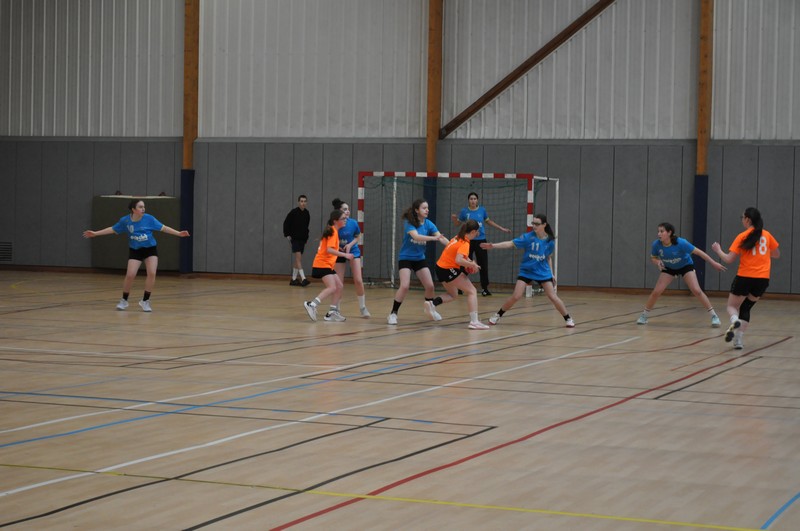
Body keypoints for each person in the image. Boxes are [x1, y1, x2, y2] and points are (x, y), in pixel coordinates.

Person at [82, 198, 190, 312]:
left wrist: (179, 233)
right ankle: (124, 300)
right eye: (140, 207)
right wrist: (95, 233)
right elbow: (113, 229)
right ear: (133, 209)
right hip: (135, 250)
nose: (143, 209)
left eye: (144, 207)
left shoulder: (149, 218)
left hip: (150, 249)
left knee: (152, 273)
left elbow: (164, 228)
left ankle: (145, 301)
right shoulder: (125, 221)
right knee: (130, 275)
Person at [480, 213, 575, 328]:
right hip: (527, 271)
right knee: (516, 296)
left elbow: (548, 258)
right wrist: (493, 246)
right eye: (533, 223)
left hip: (542, 272)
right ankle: (497, 315)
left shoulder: (549, 241)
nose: (534, 226)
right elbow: (510, 243)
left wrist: (551, 274)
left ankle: (568, 318)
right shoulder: (528, 237)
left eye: (537, 224)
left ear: (544, 225)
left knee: (553, 297)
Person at [711, 207, 780, 350]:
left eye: (742, 217)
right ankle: (738, 341)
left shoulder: (742, 236)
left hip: (745, 277)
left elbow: (729, 259)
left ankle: (734, 320)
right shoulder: (767, 235)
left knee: (731, 306)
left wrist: (718, 250)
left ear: (748, 219)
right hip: (762, 279)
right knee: (746, 307)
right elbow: (776, 254)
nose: (741, 220)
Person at [637, 222, 726, 327]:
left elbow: (699, 253)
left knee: (696, 290)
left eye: (662, 231)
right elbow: (653, 258)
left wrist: (714, 263)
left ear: (669, 232)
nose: (659, 234)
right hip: (669, 268)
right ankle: (644, 315)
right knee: (656, 292)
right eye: (658, 231)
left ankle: (714, 316)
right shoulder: (656, 244)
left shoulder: (681, 243)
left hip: (685, 266)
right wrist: (658, 262)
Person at [387, 199, 450, 325]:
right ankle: (393, 313)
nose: (427, 210)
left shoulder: (429, 224)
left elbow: (441, 238)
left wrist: (452, 246)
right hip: (406, 258)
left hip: (419, 259)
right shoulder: (409, 223)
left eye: (427, 208)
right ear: (417, 210)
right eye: (424, 208)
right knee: (405, 286)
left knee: (430, 286)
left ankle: (430, 309)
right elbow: (416, 236)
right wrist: (434, 238)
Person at [425, 219, 490, 330]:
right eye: (477, 231)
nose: (478, 234)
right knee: (472, 291)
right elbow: (459, 260)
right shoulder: (465, 243)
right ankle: (474, 322)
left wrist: (470, 262)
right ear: (473, 232)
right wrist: (472, 265)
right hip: (448, 269)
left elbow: (461, 256)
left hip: (440, 267)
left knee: (453, 294)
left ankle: (432, 304)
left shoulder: (457, 237)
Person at [451, 191, 511, 296]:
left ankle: (484, 288)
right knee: (464, 264)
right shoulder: (464, 211)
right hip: (468, 241)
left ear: (477, 200)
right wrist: (454, 219)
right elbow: (457, 224)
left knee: (483, 264)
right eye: (471, 199)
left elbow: (489, 221)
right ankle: (460, 286)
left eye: (475, 199)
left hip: (481, 241)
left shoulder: (482, 210)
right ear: (468, 200)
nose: (473, 201)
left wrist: (501, 228)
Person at [302, 210, 353, 322]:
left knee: (339, 286)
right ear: (335, 221)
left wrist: (339, 249)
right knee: (332, 287)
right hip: (322, 264)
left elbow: (328, 248)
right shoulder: (333, 231)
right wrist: (345, 255)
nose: (345, 220)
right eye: (343, 218)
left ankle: (332, 312)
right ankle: (312, 304)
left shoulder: (333, 231)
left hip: (327, 265)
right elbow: (329, 250)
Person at [332, 198, 370, 317]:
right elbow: (331, 240)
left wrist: (350, 245)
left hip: (353, 251)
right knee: (339, 282)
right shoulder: (334, 225)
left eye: (348, 209)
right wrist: (338, 247)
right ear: (339, 211)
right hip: (339, 253)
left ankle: (363, 308)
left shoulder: (353, 223)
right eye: (345, 209)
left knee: (358, 280)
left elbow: (358, 236)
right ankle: (336, 309)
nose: (348, 211)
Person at [283, 195, 311, 286]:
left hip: (302, 239)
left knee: (298, 259)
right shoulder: (293, 212)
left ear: (306, 203)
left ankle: (293, 279)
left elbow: (306, 227)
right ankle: (303, 278)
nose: (303, 203)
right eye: (301, 201)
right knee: (298, 258)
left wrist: (306, 237)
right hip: (294, 239)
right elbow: (286, 223)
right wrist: (287, 234)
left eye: (305, 201)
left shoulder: (307, 213)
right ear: (298, 202)